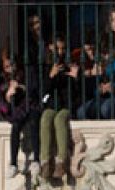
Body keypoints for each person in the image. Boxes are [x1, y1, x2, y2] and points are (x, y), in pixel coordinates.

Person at [0, 48, 40, 177]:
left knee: (33, 123)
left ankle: (36, 159)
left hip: (30, 105)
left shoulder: (25, 72)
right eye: (7, 66)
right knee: (15, 126)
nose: (11, 69)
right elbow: (3, 100)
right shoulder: (1, 78)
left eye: (12, 65)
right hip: (16, 109)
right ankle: (13, 163)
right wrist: (9, 94)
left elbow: (33, 90)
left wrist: (20, 87)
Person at [39, 34, 78, 181]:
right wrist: (51, 76)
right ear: (50, 47)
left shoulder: (71, 65)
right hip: (52, 104)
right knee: (46, 118)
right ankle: (45, 162)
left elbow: (76, 93)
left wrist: (74, 78)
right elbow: (42, 91)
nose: (60, 52)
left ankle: (62, 161)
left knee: (60, 119)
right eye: (57, 48)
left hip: (66, 105)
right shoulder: (46, 66)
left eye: (63, 49)